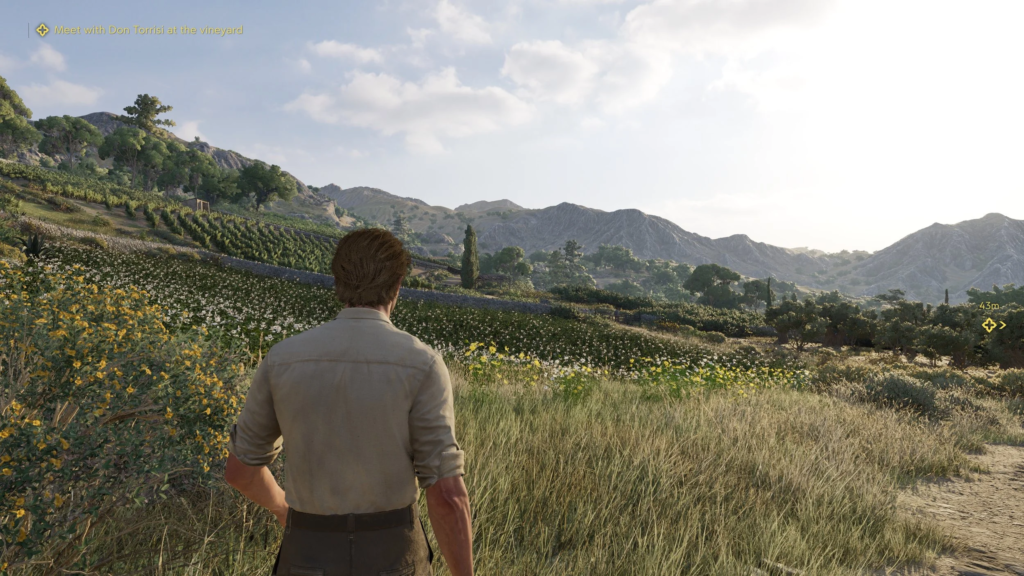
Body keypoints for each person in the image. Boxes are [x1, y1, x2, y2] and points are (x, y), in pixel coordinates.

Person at [223, 228, 474, 576]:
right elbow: (447, 495)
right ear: (398, 283)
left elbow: (240, 471)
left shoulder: (282, 358)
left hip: (305, 549)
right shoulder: (423, 363)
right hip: (395, 555)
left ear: (338, 279)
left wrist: (283, 508)